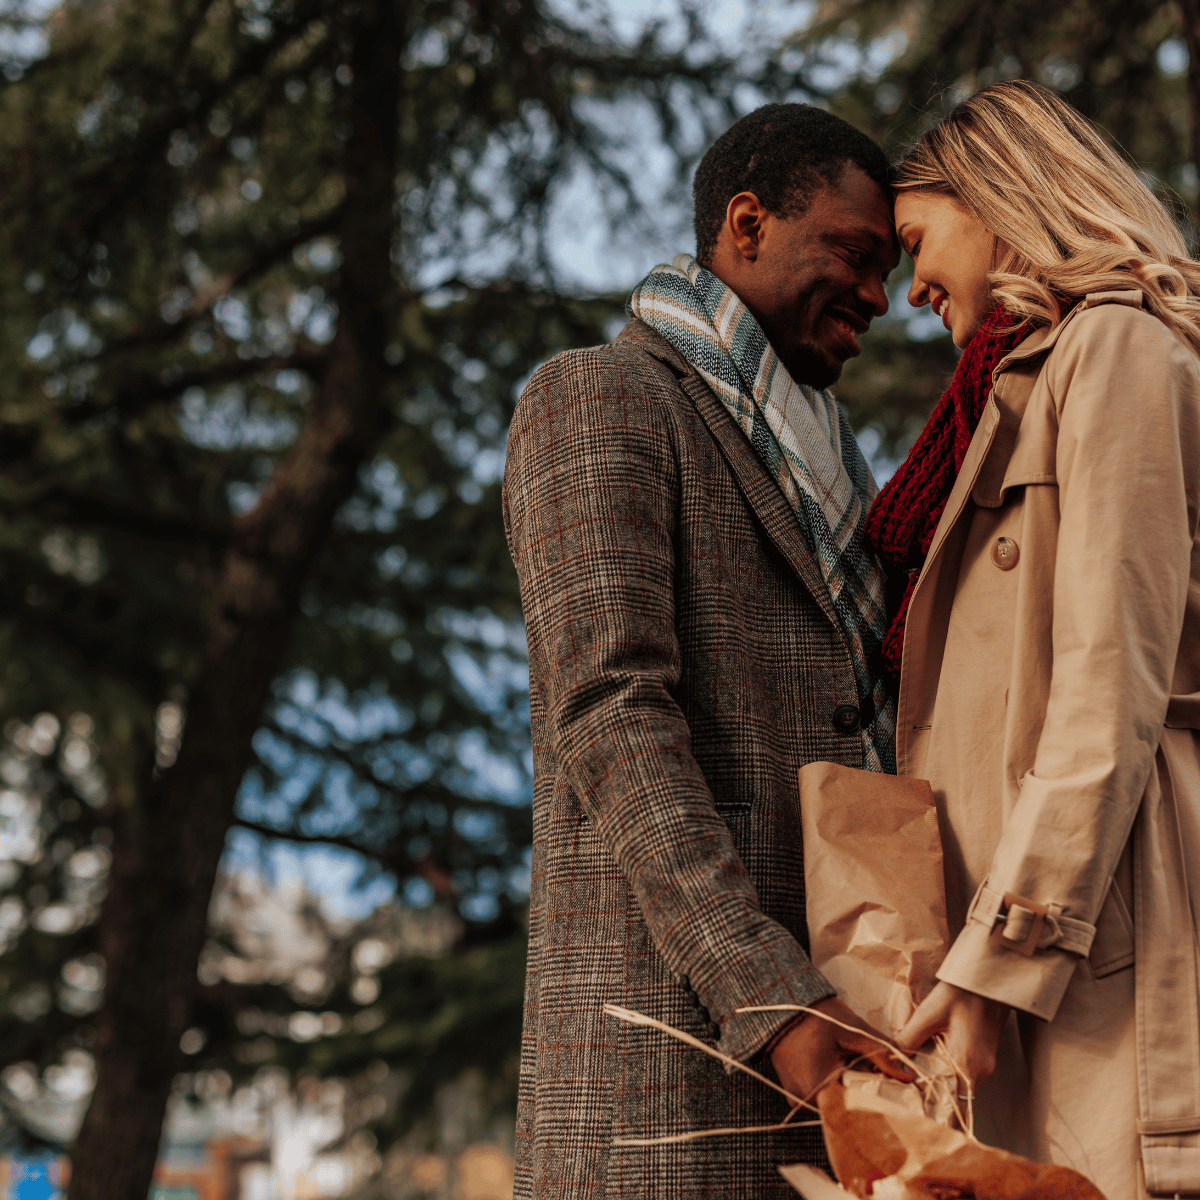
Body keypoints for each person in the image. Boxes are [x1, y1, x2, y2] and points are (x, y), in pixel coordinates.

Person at [502, 104, 906, 1198]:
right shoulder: (599, 397)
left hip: (846, 1053)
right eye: (856, 256)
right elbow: (611, 712)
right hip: (667, 1070)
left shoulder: (837, 472)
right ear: (747, 224)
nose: (880, 295)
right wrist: (768, 991)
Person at [866, 79, 1200, 1198]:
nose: (908, 284)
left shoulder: (1117, 350)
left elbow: (1110, 686)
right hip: (1026, 950)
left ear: (1002, 194)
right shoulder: (1010, 395)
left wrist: (999, 960)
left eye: (917, 239)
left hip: (1094, 940)